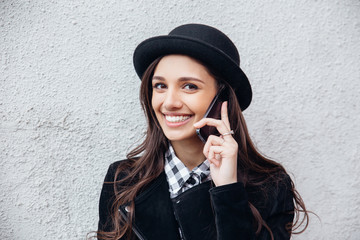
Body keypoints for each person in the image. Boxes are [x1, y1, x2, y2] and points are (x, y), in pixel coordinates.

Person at [96, 24, 309, 240]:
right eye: (160, 86)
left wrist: (228, 191)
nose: (169, 103)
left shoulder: (271, 186)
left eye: (189, 86)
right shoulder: (121, 180)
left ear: (221, 99)